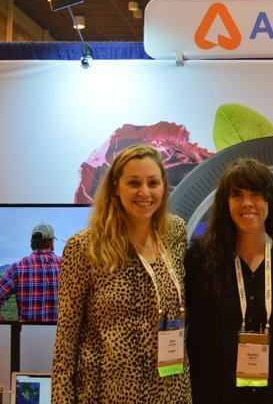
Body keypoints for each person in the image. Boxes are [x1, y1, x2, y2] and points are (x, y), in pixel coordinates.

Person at [51, 144, 191, 403]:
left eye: (153, 182)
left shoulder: (175, 233)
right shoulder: (85, 246)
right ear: (115, 187)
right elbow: (66, 343)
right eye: (134, 183)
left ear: (163, 186)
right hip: (106, 394)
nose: (145, 192)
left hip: (170, 392)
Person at [185, 157, 273, 403]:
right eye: (237, 195)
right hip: (216, 396)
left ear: (269, 201)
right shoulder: (200, 259)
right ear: (225, 204)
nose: (247, 203)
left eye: (256, 194)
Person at [0, 223, 61, 322]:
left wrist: (10, 328)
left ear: (32, 242)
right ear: (52, 241)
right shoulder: (66, 266)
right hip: (60, 331)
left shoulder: (17, 268)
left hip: (26, 331)